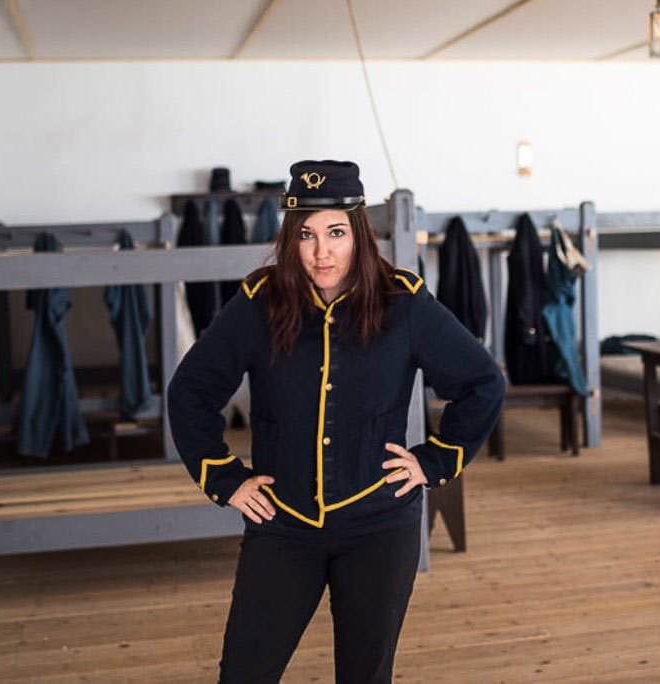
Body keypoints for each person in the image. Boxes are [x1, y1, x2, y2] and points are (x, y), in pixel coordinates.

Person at [167, 159, 504, 683]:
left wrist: (432, 463)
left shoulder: (403, 302)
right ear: (290, 237)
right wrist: (224, 477)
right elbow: (190, 391)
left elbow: (482, 383)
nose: (322, 251)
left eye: (336, 232)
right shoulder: (258, 303)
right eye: (307, 234)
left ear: (359, 232)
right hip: (282, 525)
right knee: (243, 673)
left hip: (380, 525)